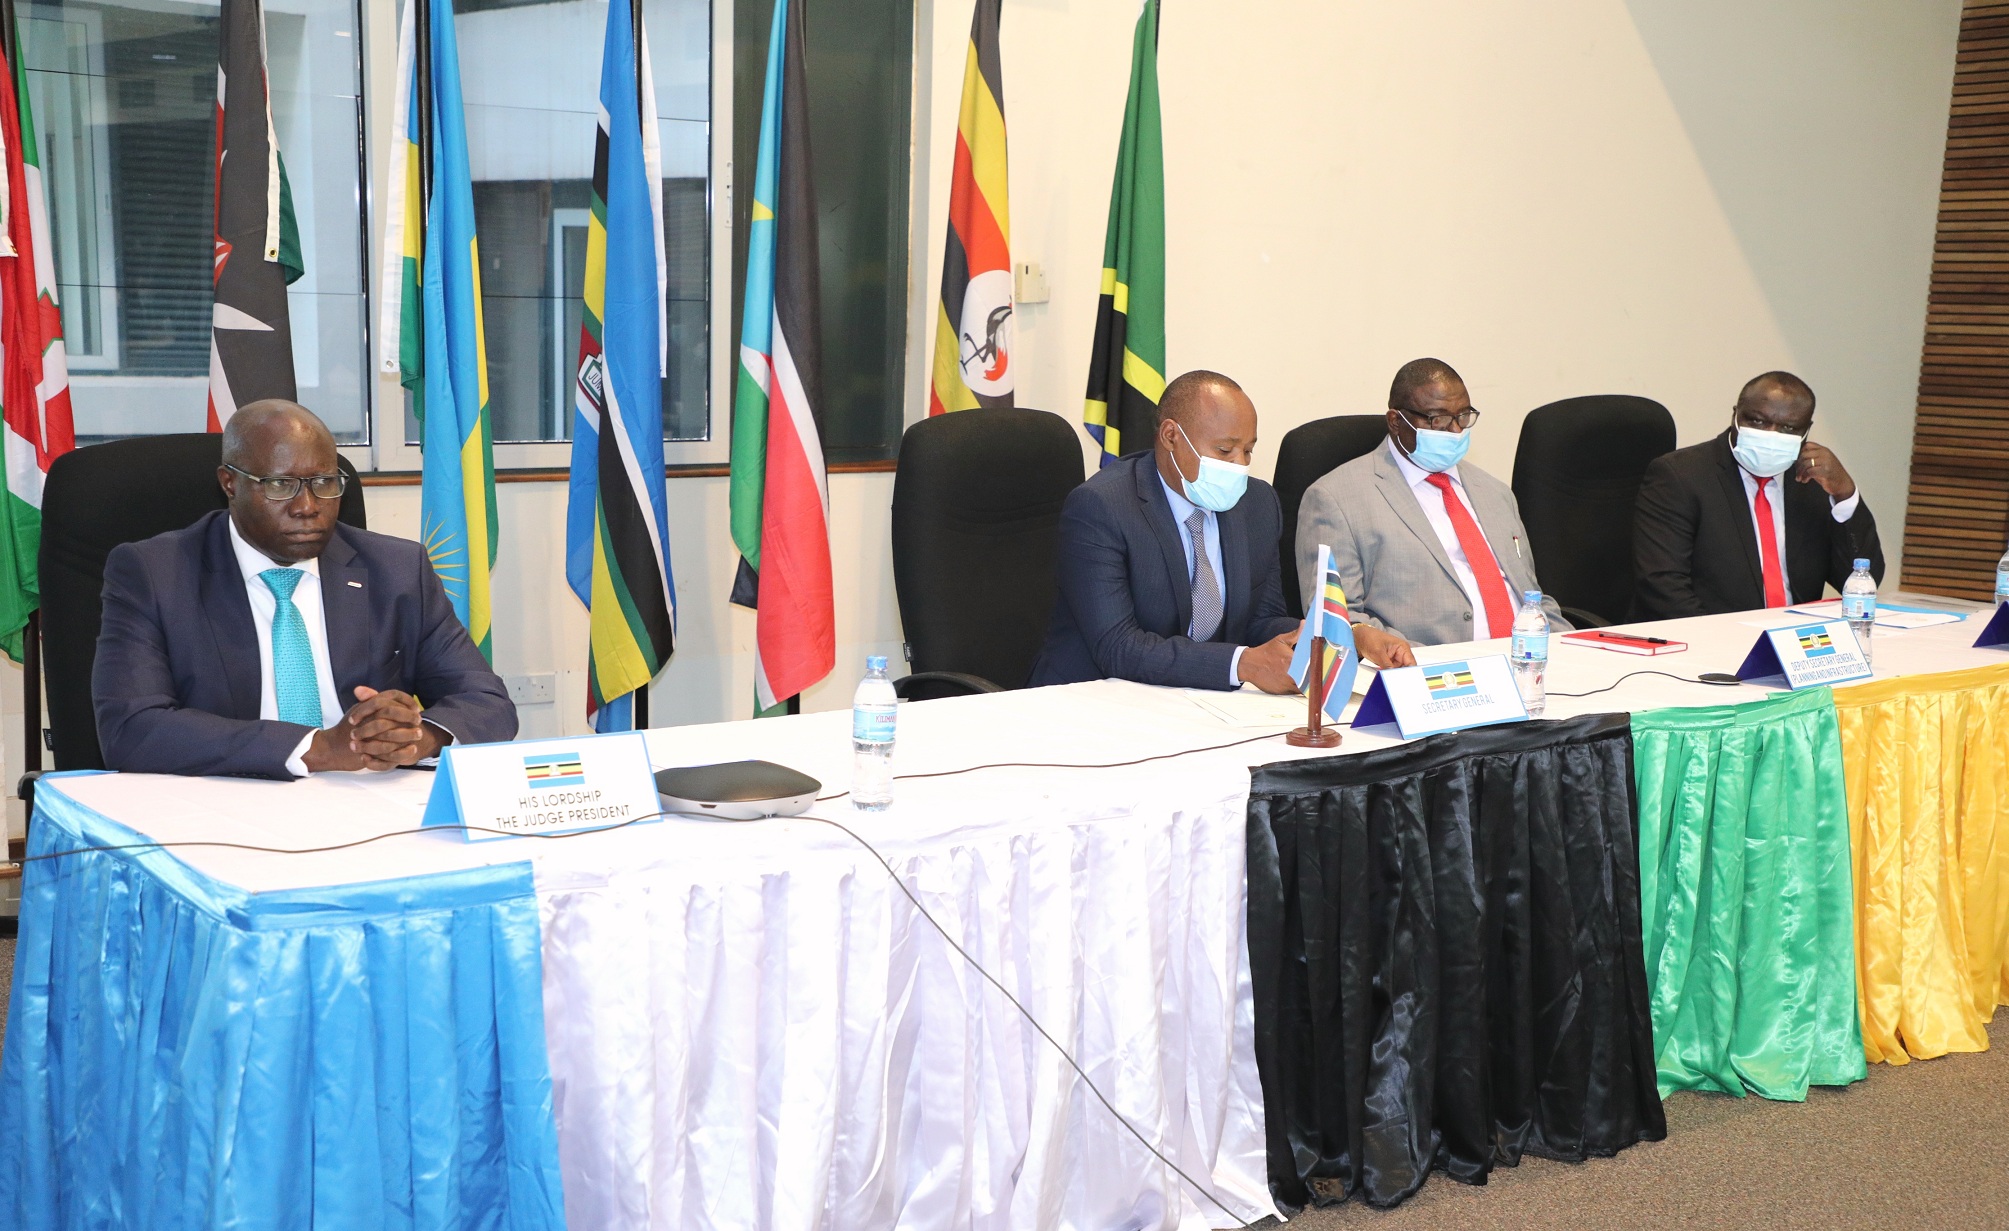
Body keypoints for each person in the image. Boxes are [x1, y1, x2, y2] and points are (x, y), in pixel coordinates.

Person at [94, 400, 516, 779]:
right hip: (226, 800)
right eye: (280, 486)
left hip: (367, 799)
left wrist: (412, 739)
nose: (307, 506)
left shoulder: (397, 570)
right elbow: (132, 728)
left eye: (324, 483)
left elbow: (487, 702)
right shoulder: (154, 573)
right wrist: (319, 748)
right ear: (229, 483)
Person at [1030, 369, 1413, 691]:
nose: (1239, 465)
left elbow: (1261, 621)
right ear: (1171, 437)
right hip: (1091, 701)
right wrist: (1242, 665)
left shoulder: (1257, 504)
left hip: (1198, 703)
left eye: (1248, 450)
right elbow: (1118, 647)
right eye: (1225, 450)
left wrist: (1351, 636)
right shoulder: (1103, 507)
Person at [1295, 358, 1568, 646]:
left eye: (1462, 416)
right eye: (1437, 419)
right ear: (1396, 422)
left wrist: (1573, 646)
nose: (1454, 432)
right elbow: (1338, 620)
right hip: (1432, 670)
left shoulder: (1495, 493)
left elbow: (1532, 597)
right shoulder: (1335, 500)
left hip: (1532, 660)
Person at [1633, 371, 1882, 619]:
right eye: (1757, 421)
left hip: (1795, 640)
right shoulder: (1681, 475)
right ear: (1736, 415)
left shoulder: (1813, 480)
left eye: (1788, 427)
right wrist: (1721, 640)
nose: (1770, 434)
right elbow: (1662, 586)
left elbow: (1862, 582)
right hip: (1709, 636)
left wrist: (1844, 494)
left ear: (1806, 431)